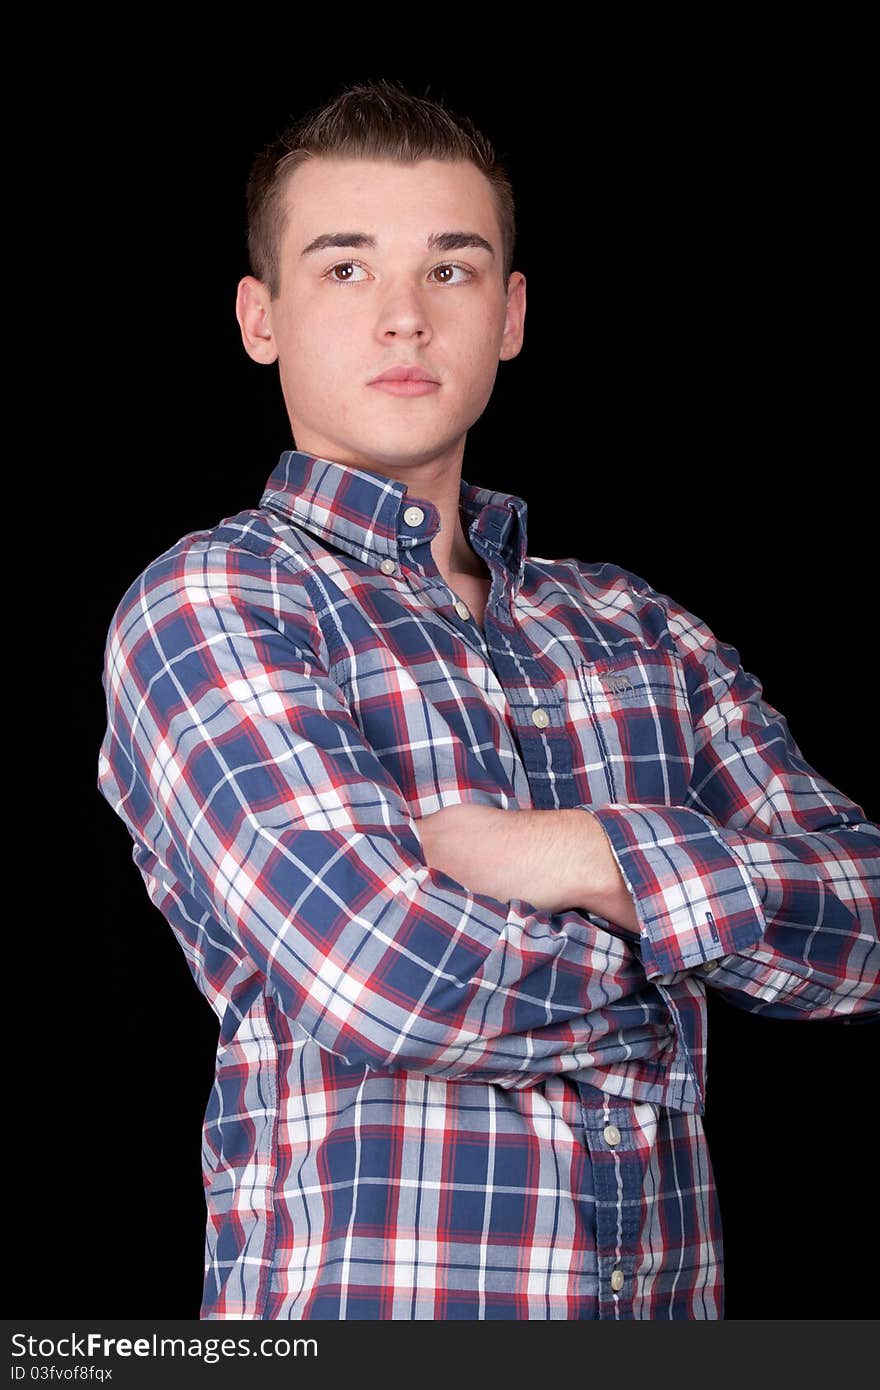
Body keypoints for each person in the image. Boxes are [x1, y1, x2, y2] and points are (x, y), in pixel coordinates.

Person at [96, 77, 879, 1321]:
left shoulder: (637, 625)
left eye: (450, 272)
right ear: (261, 316)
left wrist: (568, 850)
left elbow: (863, 921)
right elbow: (378, 971)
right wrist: (673, 984)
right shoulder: (219, 599)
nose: (404, 318)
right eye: (345, 271)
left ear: (510, 314)